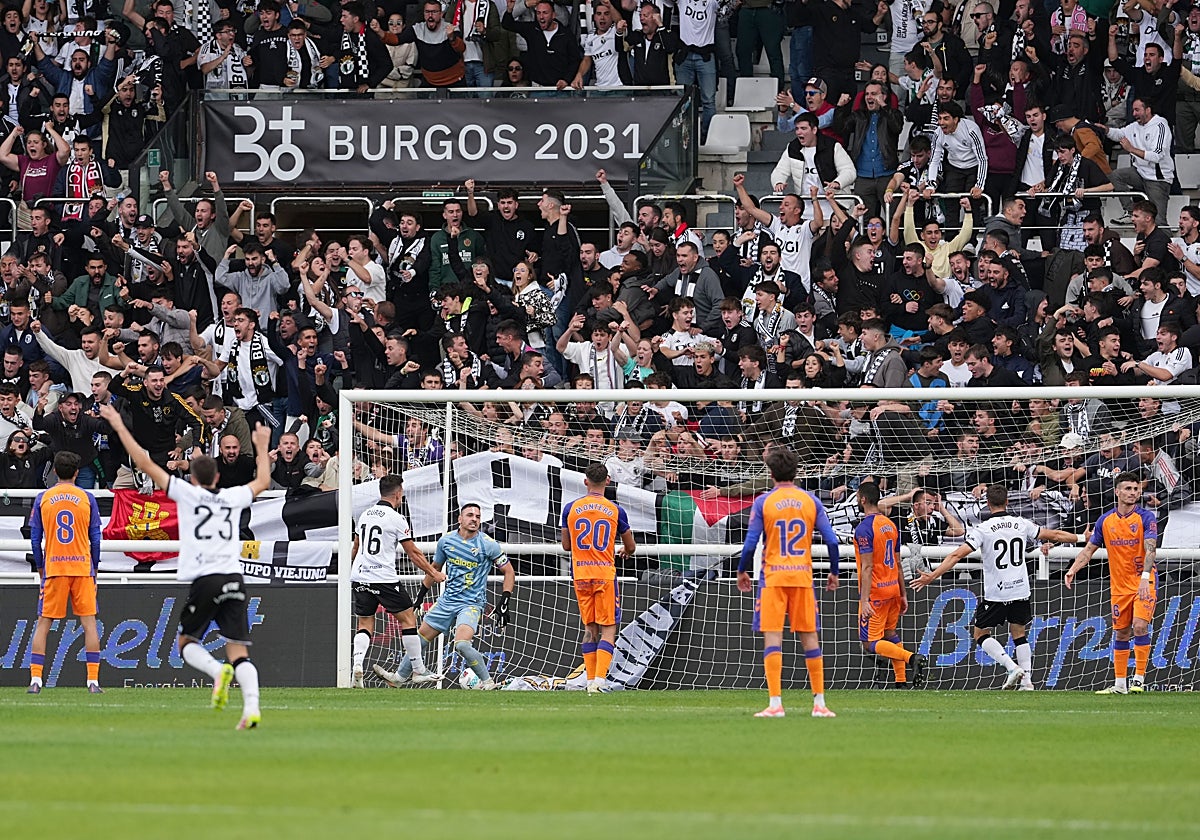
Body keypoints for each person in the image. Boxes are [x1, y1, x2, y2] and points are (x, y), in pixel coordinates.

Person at [98, 402, 272, 730]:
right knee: (240, 652)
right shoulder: (232, 497)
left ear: (192, 478)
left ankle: (215, 671)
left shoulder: (187, 494)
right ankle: (251, 708)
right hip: (234, 577)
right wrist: (261, 445)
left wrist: (120, 426)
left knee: (186, 643)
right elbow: (263, 480)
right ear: (218, 477)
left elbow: (144, 461)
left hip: (206, 578)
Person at [912, 483, 1080, 690]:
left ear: (987, 503)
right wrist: (1079, 538)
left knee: (980, 633)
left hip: (997, 592)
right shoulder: (1021, 523)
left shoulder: (982, 529)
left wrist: (933, 575)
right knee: (1019, 633)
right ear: (1007, 501)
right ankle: (1027, 681)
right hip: (1020, 588)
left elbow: (956, 554)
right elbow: (1054, 535)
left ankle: (1012, 667)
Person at [737, 447, 840, 718]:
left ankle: (775, 703)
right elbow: (831, 540)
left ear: (770, 473)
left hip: (773, 577)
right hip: (802, 577)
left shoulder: (763, 502)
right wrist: (834, 572)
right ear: (796, 472)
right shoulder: (811, 501)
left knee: (773, 637)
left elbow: (750, 544)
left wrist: (742, 570)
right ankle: (819, 703)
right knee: (810, 638)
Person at [1064, 472, 1158, 695]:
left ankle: (1138, 679)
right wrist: (1073, 569)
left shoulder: (1146, 517)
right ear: (1117, 492)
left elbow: (1151, 549)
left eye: (1136, 489)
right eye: (1128, 489)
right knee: (1122, 633)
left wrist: (1145, 578)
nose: (1133, 493)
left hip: (1144, 581)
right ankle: (1119, 685)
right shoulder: (1105, 520)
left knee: (1140, 626)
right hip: (1119, 586)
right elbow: (1089, 550)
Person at [352, 474, 446, 688]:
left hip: (359, 575)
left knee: (365, 623)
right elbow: (413, 552)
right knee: (408, 619)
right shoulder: (396, 518)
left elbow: (356, 548)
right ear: (398, 493)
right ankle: (418, 670)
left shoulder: (364, 515)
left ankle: (358, 665)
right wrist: (434, 573)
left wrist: (353, 570)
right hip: (382, 578)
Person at [411, 503, 514, 690]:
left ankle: (488, 682)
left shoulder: (488, 544)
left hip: (471, 603)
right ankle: (398, 678)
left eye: (477, 516)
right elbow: (434, 569)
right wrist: (420, 596)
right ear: (460, 519)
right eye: (470, 515)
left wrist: (504, 600)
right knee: (419, 639)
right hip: (447, 601)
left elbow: (509, 571)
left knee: (462, 645)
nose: (474, 519)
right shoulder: (446, 541)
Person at [27, 451, 103, 694]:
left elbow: (35, 539)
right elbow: (96, 539)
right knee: (89, 625)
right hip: (81, 568)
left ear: (55, 472)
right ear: (77, 472)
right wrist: (96, 568)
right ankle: (93, 682)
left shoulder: (43, 498)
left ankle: (36, 680)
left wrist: (40, 567)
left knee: (43, 624)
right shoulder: (87, 498)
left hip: (55, 567)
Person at [560, 462, 636, 694]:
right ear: (608, 481)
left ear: (585, 481)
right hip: (604, 573)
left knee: (589, 627)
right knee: (609, 628)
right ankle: (599, 682)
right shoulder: (615, 510)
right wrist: (626, 551)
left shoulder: (570, 508)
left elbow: (566, 545)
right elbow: (630, 546)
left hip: (581, 573)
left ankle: (590, 679)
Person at [853, 481, 926, 689]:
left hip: (876, 591)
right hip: (893, 587)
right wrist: (902, 594)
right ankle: (901, 681)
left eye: (858, 496)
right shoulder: (890, 525)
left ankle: (911, 658)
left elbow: (867, 568)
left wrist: (864, 600)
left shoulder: (864, 529)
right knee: (889, 634)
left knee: (869, 643)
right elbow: (898, 563)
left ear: (863, 499)